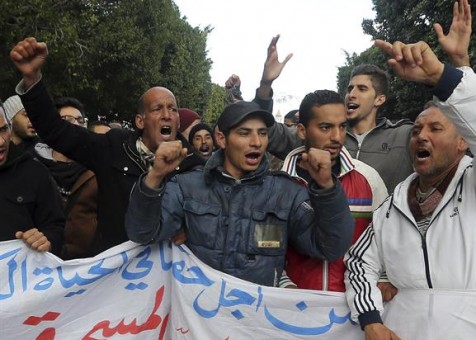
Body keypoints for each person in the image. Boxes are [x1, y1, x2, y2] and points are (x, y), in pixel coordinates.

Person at [344, 10, 476, 340]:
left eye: (435, 128)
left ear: (463, 141)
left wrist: (443, 77)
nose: (421, 136)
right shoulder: (392, 206)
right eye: (416, 130)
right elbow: (359, 263)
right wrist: (370, 319)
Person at [124, 101, 355, 287]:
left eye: (262, 133)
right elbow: (142, 233)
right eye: (244, 133)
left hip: (253, 324)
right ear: (222, 139)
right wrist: (155, 176)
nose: (256, 142)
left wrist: (326, 188)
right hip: (197, 320)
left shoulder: (286, 193)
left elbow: (330, 246)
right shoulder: (188, 186)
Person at [10, 37, 206, 256]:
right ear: (140, 121)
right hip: (114, 272)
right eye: (157, 109)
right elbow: (57, 131)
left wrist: (192, 228)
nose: (167, 115)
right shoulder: (113, 147)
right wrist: (32, 79)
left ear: (178, 122)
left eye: (173, 109)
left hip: (166, 275)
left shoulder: (195, 166)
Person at [265, 3, 472, 194]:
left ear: (380, 99)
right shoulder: (320, 136)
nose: (351, 94)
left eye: (362, 89)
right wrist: (265, 85)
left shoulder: (405, 135)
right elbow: (268, 133)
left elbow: (458, 130)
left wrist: (459, 63)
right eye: (350, 88)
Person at [279, 90, 387, 291]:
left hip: (354, 309)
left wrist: (384, 278)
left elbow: (387, 240)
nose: (337, 137)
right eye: (325, 127)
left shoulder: (368, 178)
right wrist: (284, 285)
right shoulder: (279, 185)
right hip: (293, 308)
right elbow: (268, 248)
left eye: (342, 127)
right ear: (302, 131)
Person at [32, 97, 99, 259]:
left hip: (85, 267)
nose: (74, 124)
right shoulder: (33, 168)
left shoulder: (98, 170)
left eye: (79, 120)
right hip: (39, 261)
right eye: (67, 119)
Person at [0, 103, 64, 254]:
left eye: (3, 130)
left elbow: (57, 227)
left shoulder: (35, 173)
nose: (1, 142)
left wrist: (46, 241)